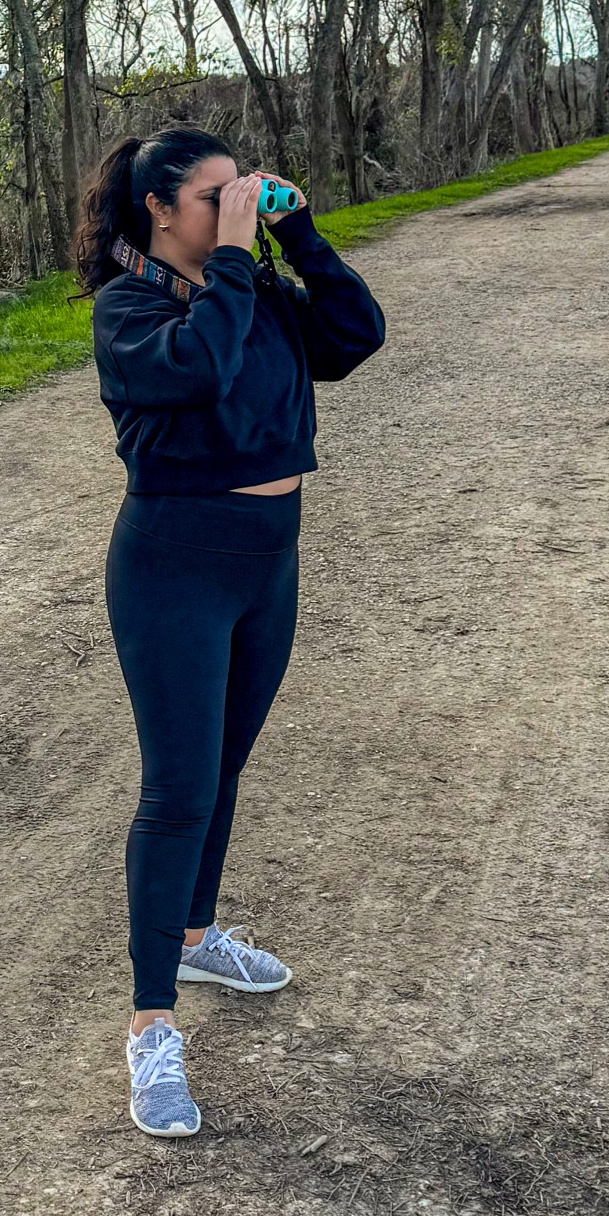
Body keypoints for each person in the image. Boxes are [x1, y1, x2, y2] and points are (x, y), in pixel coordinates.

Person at [75, 127, 387, 1138]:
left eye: (241, 193)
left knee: (227, 766)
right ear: (161, 210)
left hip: (269, 558)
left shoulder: (256, 285)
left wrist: (298, 231)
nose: (235, 211)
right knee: (177, 791)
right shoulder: (130, 310)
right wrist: (240, 264)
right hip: (175, 564)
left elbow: (355, 335)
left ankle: (198, 932)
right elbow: (201, 367)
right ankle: (151, 1023)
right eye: (218, 198)